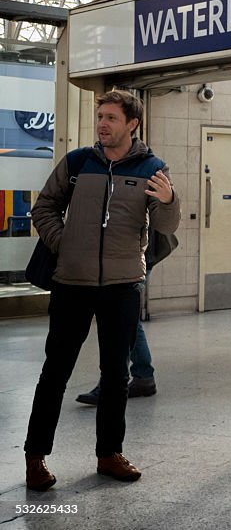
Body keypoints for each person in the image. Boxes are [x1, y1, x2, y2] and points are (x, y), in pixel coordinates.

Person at [24, 90, 180, 491]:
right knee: (54, 372)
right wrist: (66, 244)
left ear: (132, 123)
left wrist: (170, 199)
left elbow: (165, 226)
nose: (102, 124)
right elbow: (44, 208)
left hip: (122, 286)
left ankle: (109, 453)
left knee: (116, 375)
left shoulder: (152, 167)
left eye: (111, 117)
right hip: (71, 284)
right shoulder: (78, 163)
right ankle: (35, 457)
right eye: (100, 117)